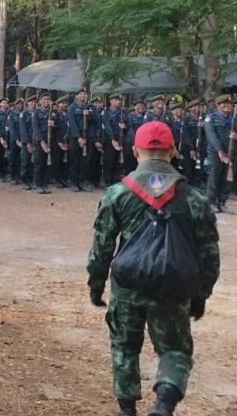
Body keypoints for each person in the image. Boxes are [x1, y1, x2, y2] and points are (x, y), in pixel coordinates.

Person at [87, 121, 220, 416]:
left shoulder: (117, 194)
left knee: (124, 346)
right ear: (173, 151)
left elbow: (101, 248)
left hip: (128, 286)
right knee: (175, 349)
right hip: (172, 288)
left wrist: (96, 286)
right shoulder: (194, 199)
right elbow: (209, 256)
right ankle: (163, 404)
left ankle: (126, 410)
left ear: (135, 151)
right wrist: (201, 295)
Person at [203, 94, 235, 213]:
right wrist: (219, 150)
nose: (227, 105)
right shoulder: (211, 118)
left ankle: (222, 202)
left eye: (229, 104)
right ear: (217, 105)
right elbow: (211, 135)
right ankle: (211, 202)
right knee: (214, 176)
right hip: (215, 152)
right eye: (224, 103)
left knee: (228, 177)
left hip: (232, 152)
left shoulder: (234, 118)